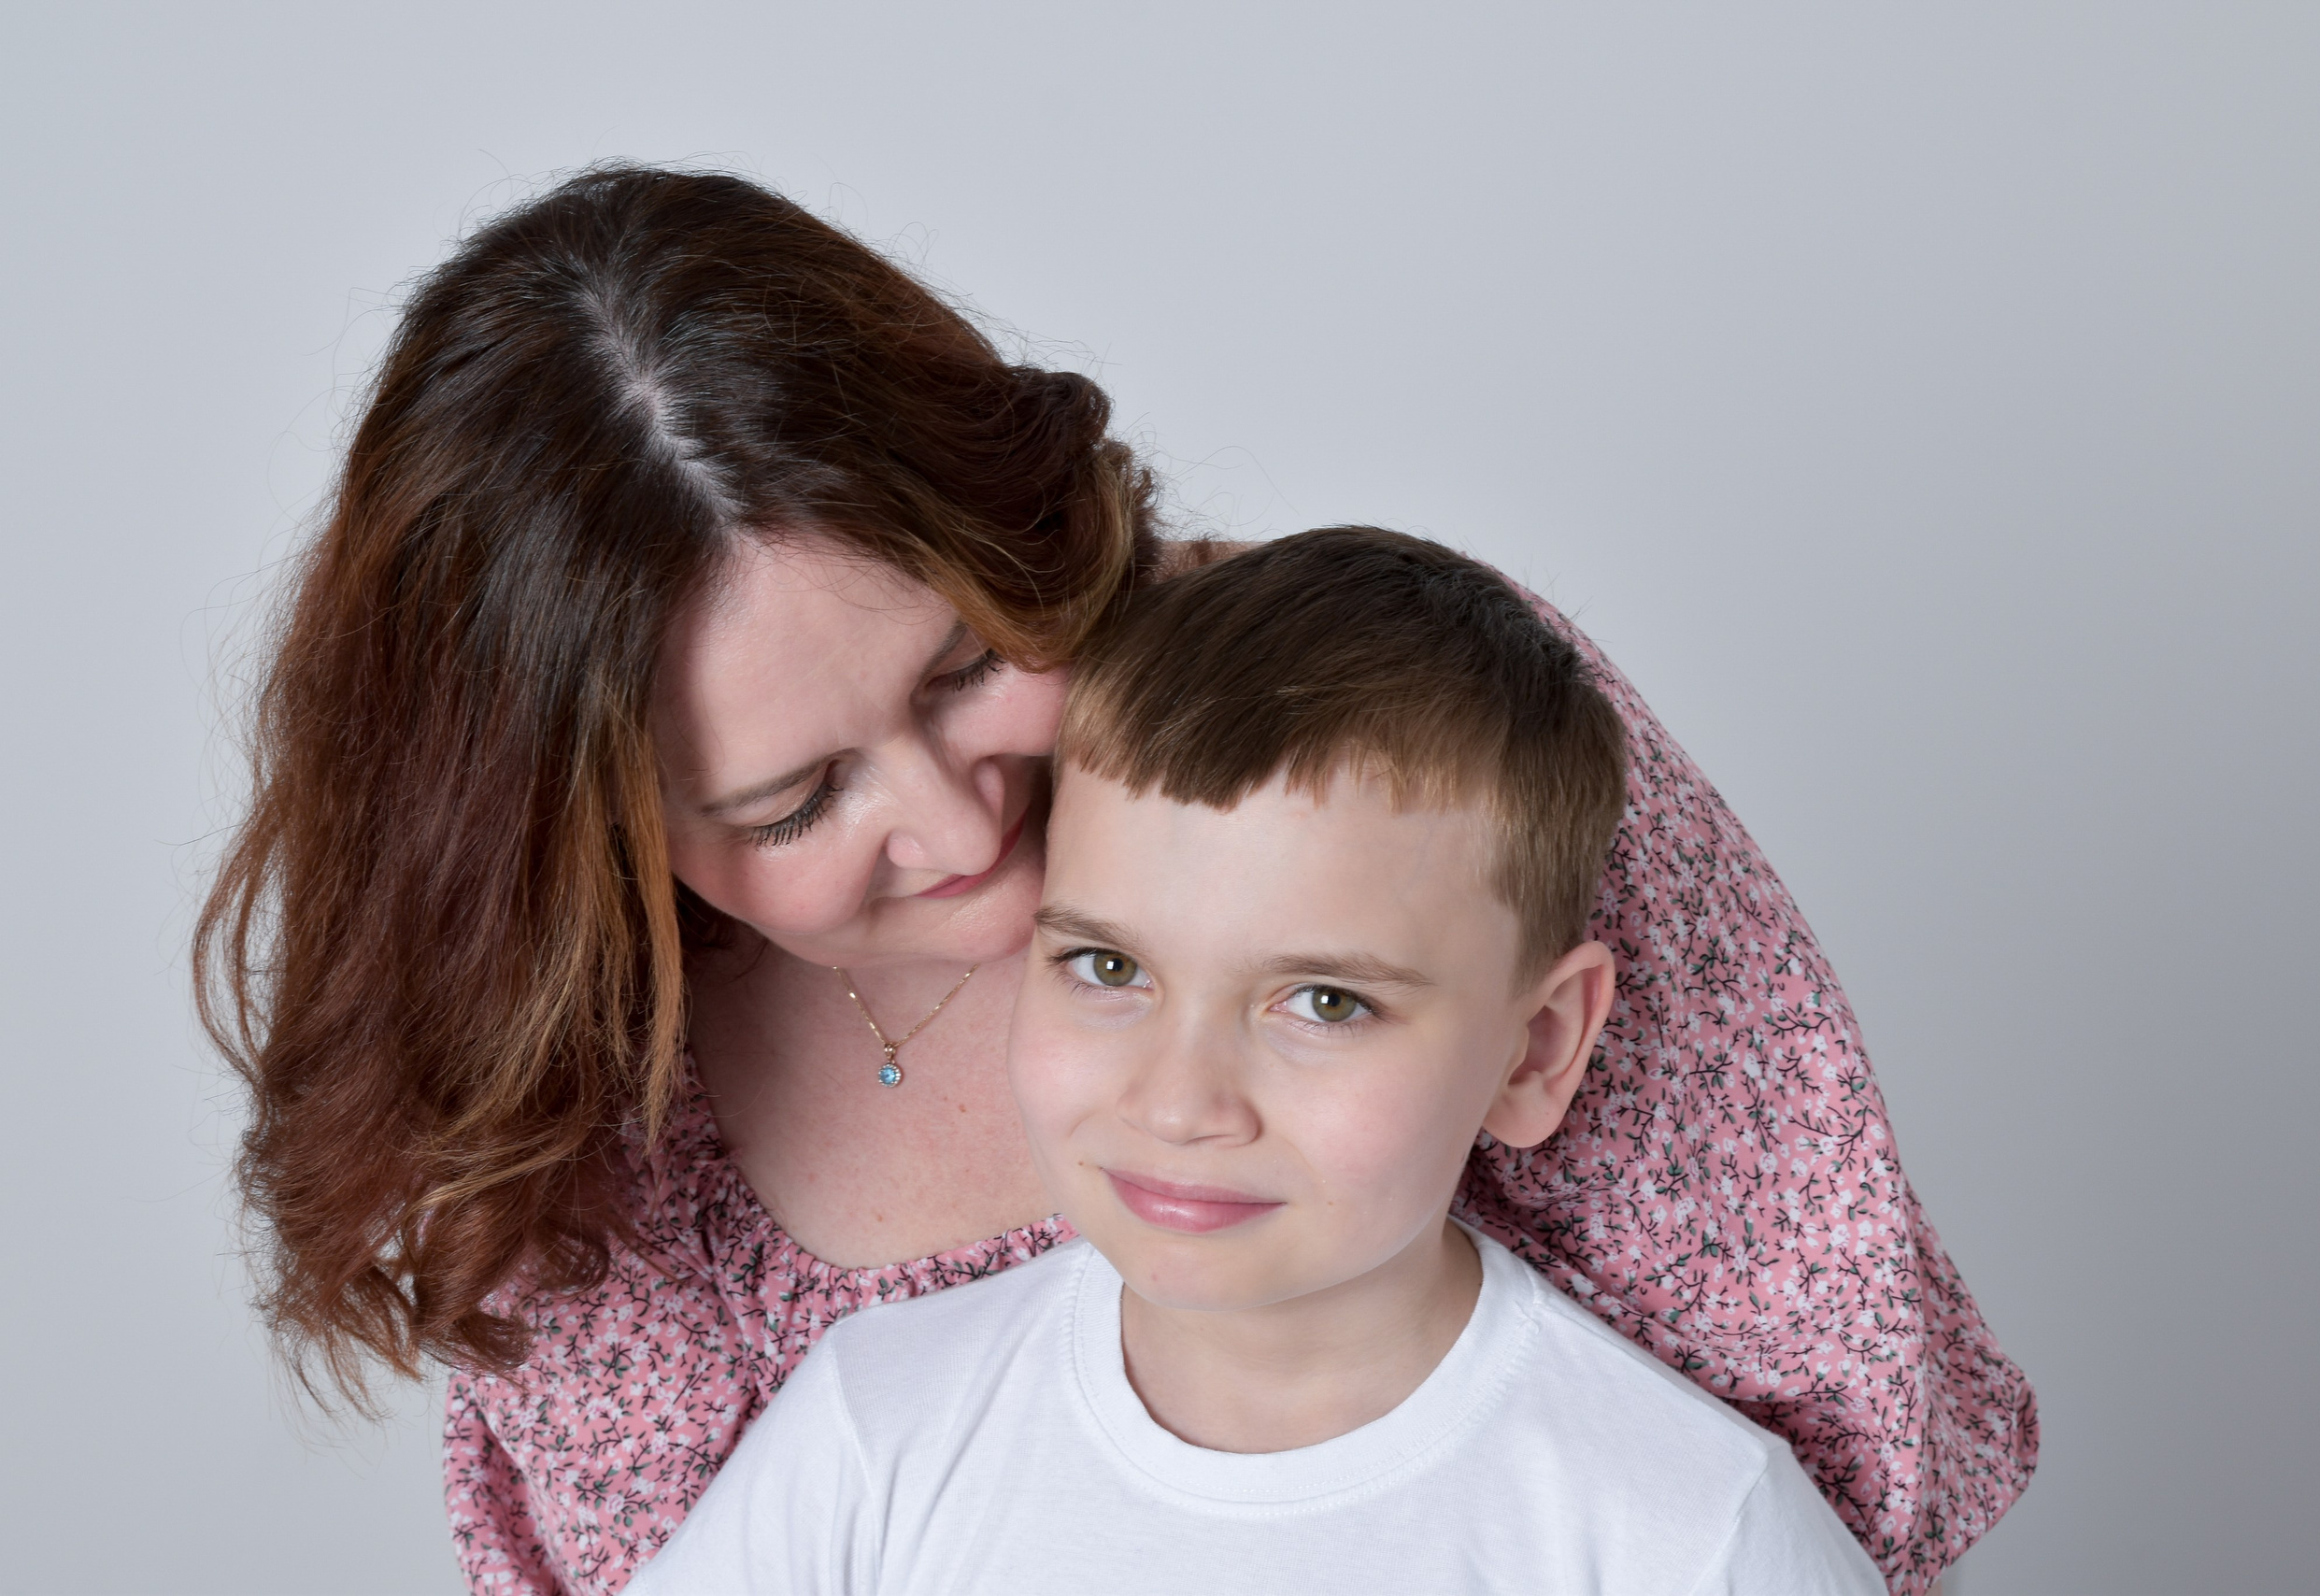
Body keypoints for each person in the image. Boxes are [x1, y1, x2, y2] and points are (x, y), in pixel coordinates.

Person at [194, 166, 2032, 1595]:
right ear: (594, 846)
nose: (953, 817)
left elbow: (1825, 1442)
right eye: (795, 794)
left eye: (958, 668)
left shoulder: (1379, 733)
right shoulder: (609, 1172)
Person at [629, 528, 1891, 1595]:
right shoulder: (873, 1431)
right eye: (1110, 970)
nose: (1181, 1104)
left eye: (1326, 1001)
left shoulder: (1689, 1529)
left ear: (1537, 1046)